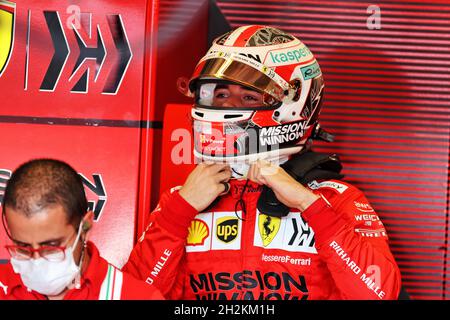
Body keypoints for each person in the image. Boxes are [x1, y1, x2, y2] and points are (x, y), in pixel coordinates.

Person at [123, 25, 402, 300]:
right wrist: (179, 212)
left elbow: (378, 293)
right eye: (220, 94)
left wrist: (309, 204)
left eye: (248, 96)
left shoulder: (334, 199)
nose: (228, 106)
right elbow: (131, 295)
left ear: (294, 105)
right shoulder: (179, 201)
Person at [0, 159, 163, 300]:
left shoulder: (136, 296)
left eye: (50, 246)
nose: (36, 261)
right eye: (23, 248)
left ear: (85, 226)